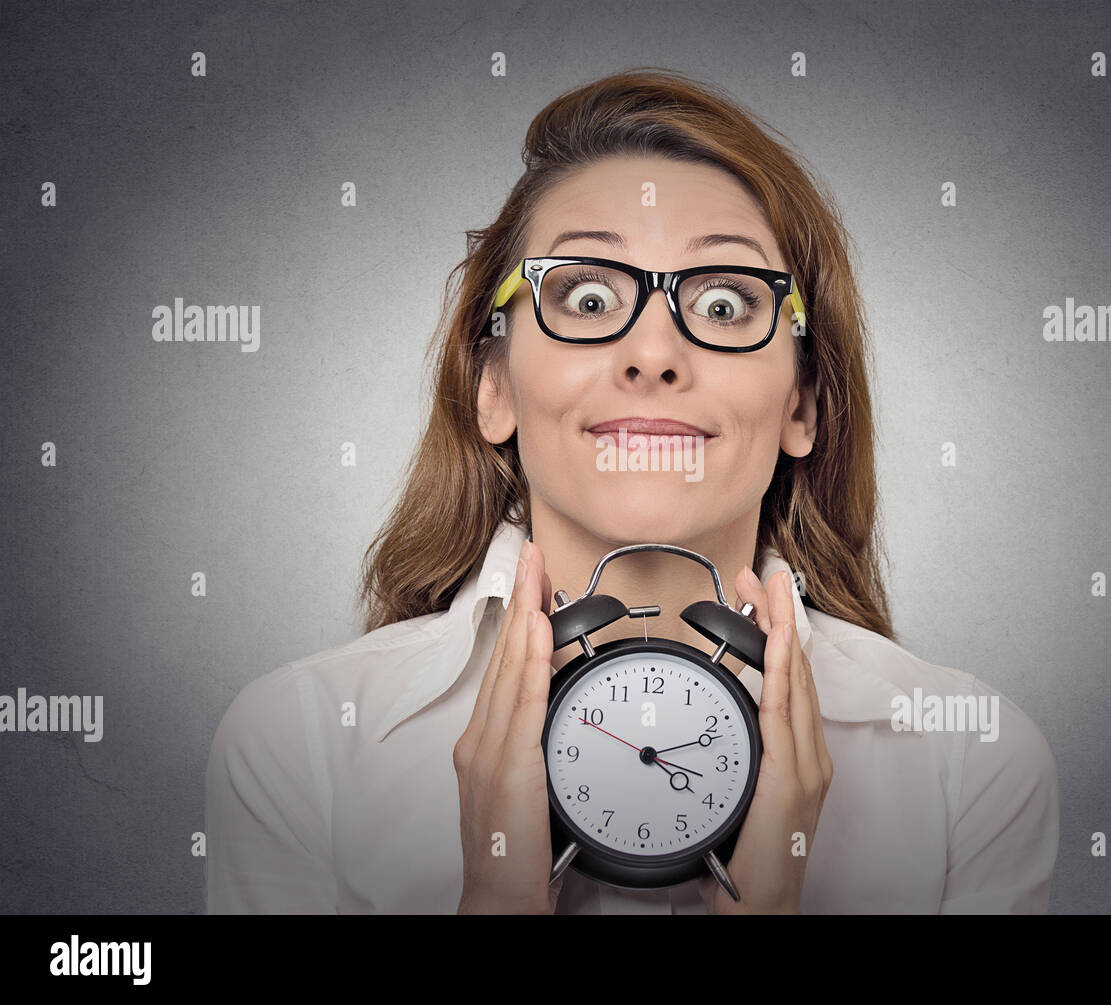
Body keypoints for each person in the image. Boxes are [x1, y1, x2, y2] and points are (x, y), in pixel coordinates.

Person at [204, 67, 1059, 914]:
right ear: (493, 384)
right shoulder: (298, 746)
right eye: (585, 294)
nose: (653, 353)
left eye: (724, 303)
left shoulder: (971, 768)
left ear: (801, 402)